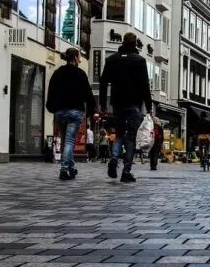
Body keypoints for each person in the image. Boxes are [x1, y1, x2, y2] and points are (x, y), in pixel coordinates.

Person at [99, 32, 152, 183]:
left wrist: (103, 103)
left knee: (119, 134)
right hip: (134, 103)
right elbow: (145, 85)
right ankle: (126, 171)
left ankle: (114, 157)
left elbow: (103, 82)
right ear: (135, 44)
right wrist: (149, 105)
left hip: (117, 103)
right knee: (131, 137)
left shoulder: (112, 59)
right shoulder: (140, 61)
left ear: (122, 42)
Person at [46, 48, 96, 180]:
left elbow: (51, 90)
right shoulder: (80, 74)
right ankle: (64, 168)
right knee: (69, 140)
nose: (79, 59)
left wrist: (51, 107)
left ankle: (72, 167)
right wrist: (92, 109)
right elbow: (88, 94)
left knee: (66, 140)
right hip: (75, 111)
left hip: (60, 112)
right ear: (75, 58)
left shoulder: (58, 73)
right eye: (78, 57)